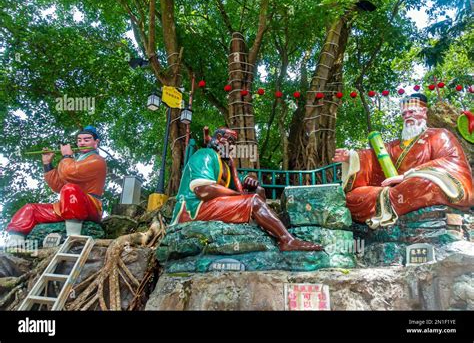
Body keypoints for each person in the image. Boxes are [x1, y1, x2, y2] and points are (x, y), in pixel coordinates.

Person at [171, 127, 323, 252]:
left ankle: (272, 230)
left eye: (233, 143)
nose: (230, 145)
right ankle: (286, 240)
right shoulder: (204, 155)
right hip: (193, 208)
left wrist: (249, 179)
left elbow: (240, 185)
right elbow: (203, 191)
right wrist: (238, 195)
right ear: (216, 139)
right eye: (227, 140)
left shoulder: (225, 165)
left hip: (210, 205)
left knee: (259, 192)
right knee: (254, 201)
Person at [333, 94, 473, 229]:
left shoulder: (439, 135)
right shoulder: (394, 146)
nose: (407, 116)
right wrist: (351, 157)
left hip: (419, 183)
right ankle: (390, 203)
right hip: (397, 190)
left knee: (426, 185)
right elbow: (372, 158)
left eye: (412, 111)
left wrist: (407, 176)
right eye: (404, 114)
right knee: (353, 197)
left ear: (424, 112)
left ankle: (388, 205)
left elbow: (451, 162)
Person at [6, 126, 107, 245]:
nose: (82, 143)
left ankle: (73, 237)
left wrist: (66, 156)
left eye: (86, 139)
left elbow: (69, 173)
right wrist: (47, 163)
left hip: (90, 206)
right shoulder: (77, 161)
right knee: (30, 209)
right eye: (79, 140)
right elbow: (58, 186)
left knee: (70, 189)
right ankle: (15, 244)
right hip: (69, 205)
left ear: (96, 142)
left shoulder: (97, 161)